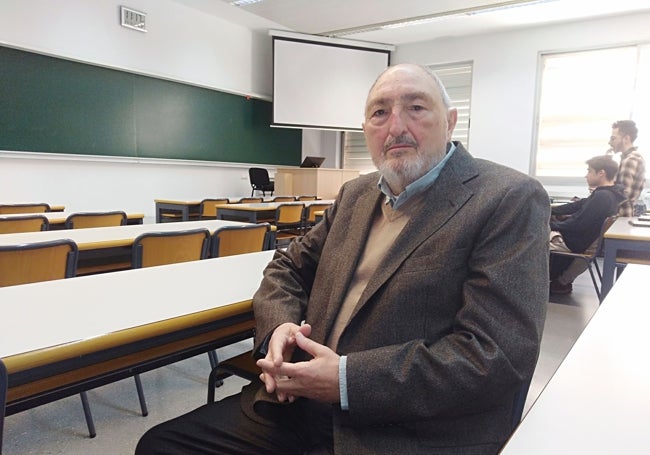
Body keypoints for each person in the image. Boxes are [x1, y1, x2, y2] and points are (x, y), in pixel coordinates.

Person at [136, 63, 550, 454]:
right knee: (161, 445)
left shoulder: (507, 199)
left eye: (416, 107)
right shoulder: (357, 194)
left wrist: (346, 381)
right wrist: (278, 326)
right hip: (297, 403)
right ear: (366, 128)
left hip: (404, 429)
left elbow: (495, 355)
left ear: (451, 120)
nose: (396, 127)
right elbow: (288, 268)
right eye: (379, 113)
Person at [549, 155, 626, 294]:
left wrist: (549, 225)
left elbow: (576, 224)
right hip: (580, 239)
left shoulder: (602, 197)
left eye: (589, 171)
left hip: (573, 242)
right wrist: (549, 209)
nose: (586, 176)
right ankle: (558, 281)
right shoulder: (610, 194)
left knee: (530, 236)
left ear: (601, 173)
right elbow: (577, 205)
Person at [608, 120, 645, 216]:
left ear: (626, 138)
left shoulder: (630, 160)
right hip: (623, 216)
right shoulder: (633, 157)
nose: (610, 142)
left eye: (613, 138)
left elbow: (622, 195)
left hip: (619, 217)